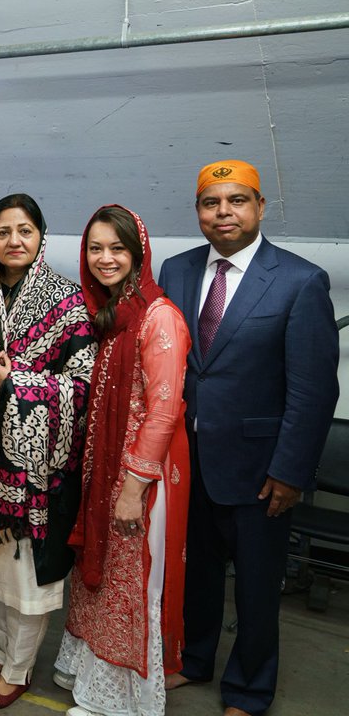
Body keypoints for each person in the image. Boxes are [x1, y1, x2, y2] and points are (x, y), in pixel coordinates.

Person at [158, 160, 339, 716]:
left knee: (259, 592)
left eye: (237, 201)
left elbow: (313, 392)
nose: (224, 212)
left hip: (262, 471)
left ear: (260, 207)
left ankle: (249, 690)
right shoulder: (177, 271)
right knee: (197, 577)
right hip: (189, 462)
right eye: (212, 203)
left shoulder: (300, 281)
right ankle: (193, 661)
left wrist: (290, 472)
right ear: (198, 213)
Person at [53, 205, 191, 716]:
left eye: (117, 248)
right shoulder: (113, 315)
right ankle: (93, 683)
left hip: (141, 480)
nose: (105, 258)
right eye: (95, 248)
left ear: (138, 253)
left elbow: (163, 412)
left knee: (131, 587)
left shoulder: (159, 318)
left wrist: (133, 489)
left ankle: (121, 703)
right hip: (106, 474)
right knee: (104, 582)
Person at [0, 194, 96, 710]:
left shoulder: (68, 301)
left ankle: (18, 668)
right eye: (3, 232)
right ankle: (0, 648)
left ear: (41, 236)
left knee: (26, 571)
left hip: (36, 469)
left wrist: (16, 382)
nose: (13, 241)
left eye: (24, 231)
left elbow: (80, 385)